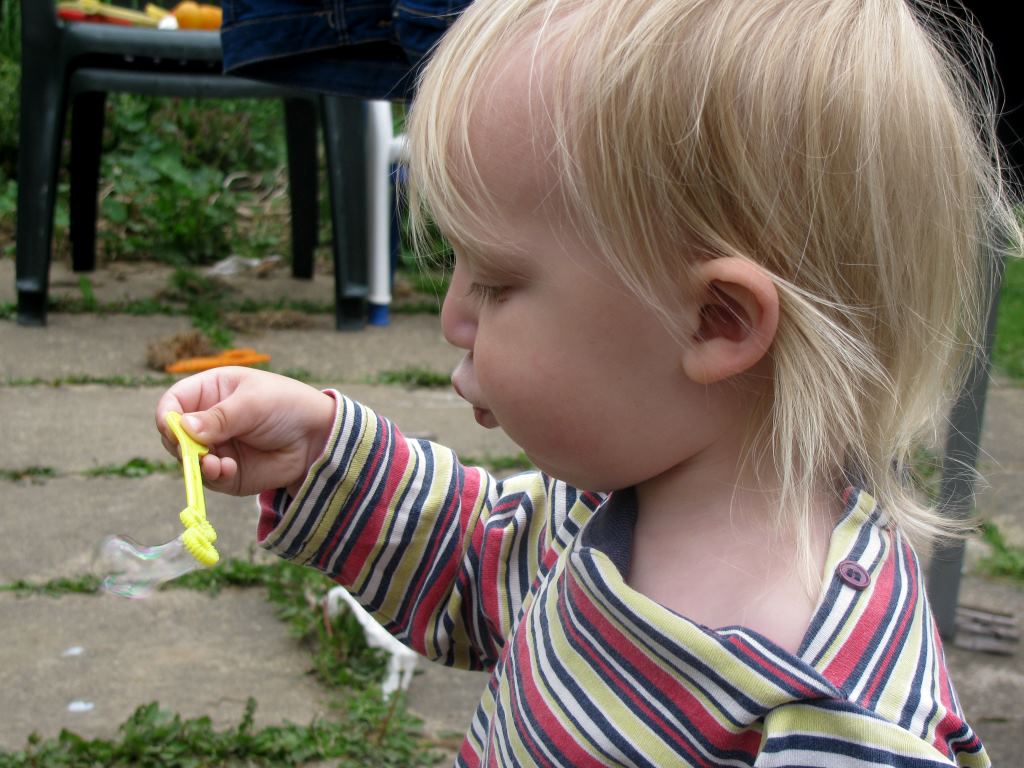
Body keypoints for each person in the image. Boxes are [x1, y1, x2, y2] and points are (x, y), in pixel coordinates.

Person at [157, 0, 1019, 764]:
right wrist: (321, 454)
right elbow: (475, 562)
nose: (454, 318)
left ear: (715, 320)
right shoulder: (607, 507)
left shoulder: (834, 714)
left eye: (494, 281)